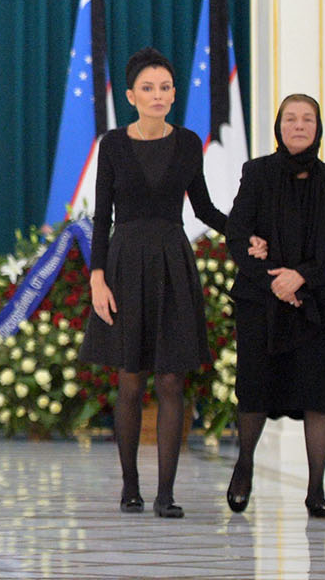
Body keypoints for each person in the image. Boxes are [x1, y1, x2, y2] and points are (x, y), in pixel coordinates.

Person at [79, 47, 227, 518]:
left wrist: (247, 230)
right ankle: (130, 486)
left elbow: (202, 209)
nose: (157, 95)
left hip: (171, 263)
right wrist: (97, 277)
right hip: (124, 264)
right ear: (130, 96)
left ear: (174, 93)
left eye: (165, 87)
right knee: (129, 379)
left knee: (170, 380)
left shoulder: (187, 142)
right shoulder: (114, 145)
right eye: (148, 88)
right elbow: (102, 217)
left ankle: (166, 493)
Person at [223, 94, 325, 518]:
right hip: (261, 302)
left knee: (318, 395)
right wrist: (273, 281)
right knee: (256, 390)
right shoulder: (256, 173)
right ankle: (244, 467)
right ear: (279, 125)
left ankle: (316, 489)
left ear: (318, 127)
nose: (299, 126)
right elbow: (237, 234)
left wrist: (302, 278)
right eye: (291, 118)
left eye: (308, 119)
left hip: (318, 305)